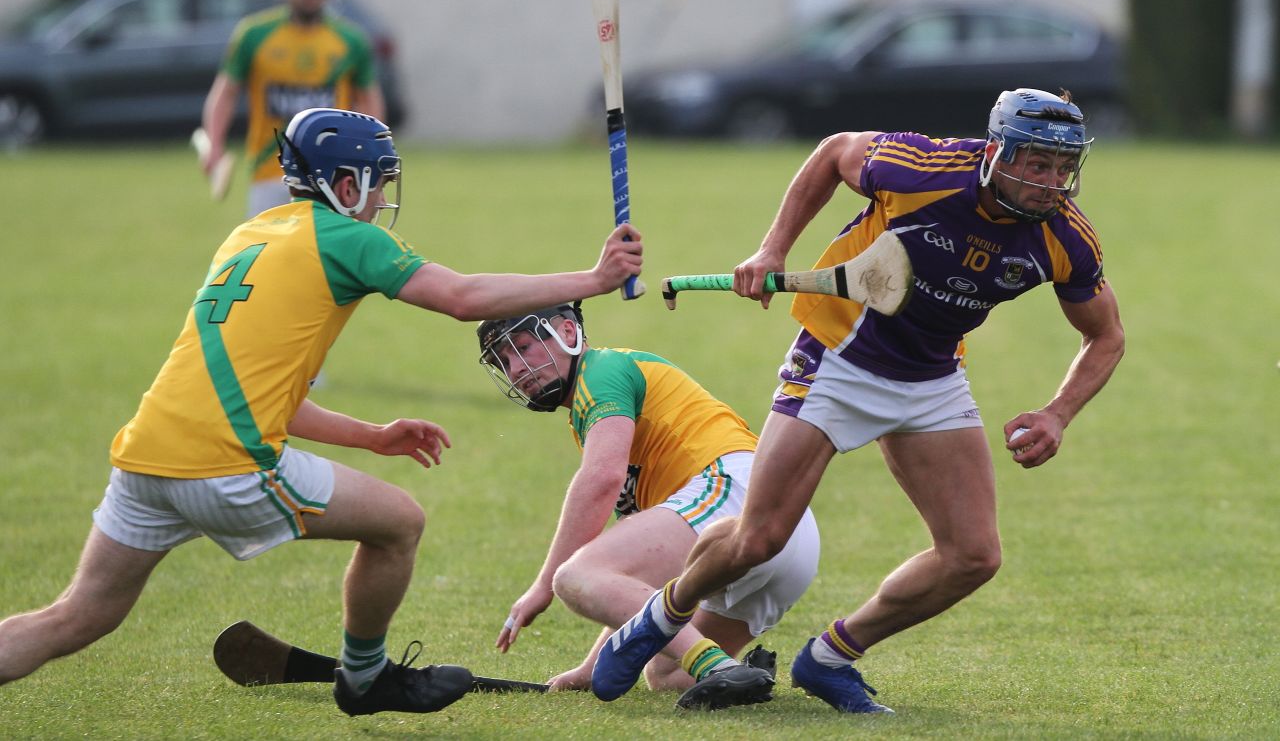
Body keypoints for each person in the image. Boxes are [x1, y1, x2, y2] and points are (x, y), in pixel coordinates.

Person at [0, 108, 643, 718]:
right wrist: (592, 280)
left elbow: (266, 393)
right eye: (375, 184)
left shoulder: (249, 233)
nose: (379, 200)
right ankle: (364, 676)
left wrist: (372, 435)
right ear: (343, 183)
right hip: (225, 463)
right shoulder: (349, 238)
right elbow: (463, 296)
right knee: (399, 522)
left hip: (145, 457)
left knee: (76, 616)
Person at [594, 87, 1126, 713]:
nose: (1052, 181)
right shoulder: (923, 170)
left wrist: (1057, 414)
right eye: (1038, 164)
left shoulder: (1066, 239)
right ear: (998, 150)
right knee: (760, 538)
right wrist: (772, 249)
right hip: (836, 357)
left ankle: (830, 658)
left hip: (931, 378)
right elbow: (831, 152)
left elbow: (1106, 336)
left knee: (974, 557)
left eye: (1065, 167)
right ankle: (662, 614)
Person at [476, 303, 820, 710]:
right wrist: (589, 667)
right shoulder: (593, 408)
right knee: (665, 674)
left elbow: (601, 479)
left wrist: (543, 583)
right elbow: (637, 575)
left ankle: (719, 668)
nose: (515, 368)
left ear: (568, 332)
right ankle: (737, 670)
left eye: (522, 347)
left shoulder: (600, 372)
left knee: (573, 577)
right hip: (793, 539)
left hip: (735, 493)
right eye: (504, 361)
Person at [200, 0, 385, 217]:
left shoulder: (351, 40)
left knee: (324, 256)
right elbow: (225, 93)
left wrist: (370, 156)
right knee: (268, 255)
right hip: (269, 170)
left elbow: (369, 101)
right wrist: (215, 144)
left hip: (331, 174)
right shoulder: (253, 34)